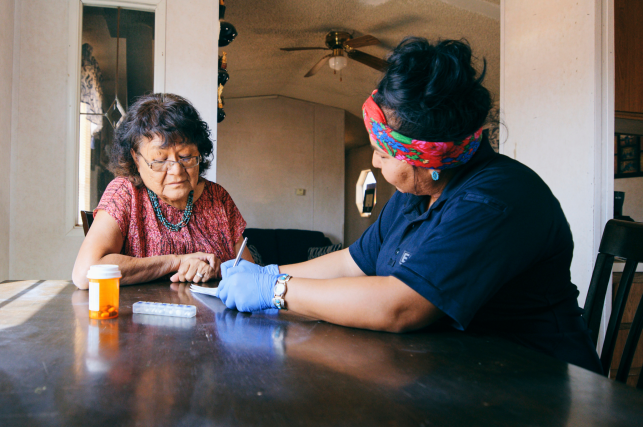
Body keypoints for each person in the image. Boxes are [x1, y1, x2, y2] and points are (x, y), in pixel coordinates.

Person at [215, 38, 603, 374]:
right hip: (454, 371)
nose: (374, 162)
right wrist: (265, 271)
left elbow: (400, 306)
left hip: (532, 385)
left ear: (430, 159)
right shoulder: (415, 193)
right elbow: (352, 262)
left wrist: (276, 289)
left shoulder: (498, 199)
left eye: (384, 152)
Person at [72, 93, 252, 289]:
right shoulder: (125, 193)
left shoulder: (218, 198)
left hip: (212, 317)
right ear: (136, 158)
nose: (176, 170)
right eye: (159, 160)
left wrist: (217, 269)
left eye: (186, 156)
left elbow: (251, 273)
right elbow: (85, 273)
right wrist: (176, 262)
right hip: (140, 317)